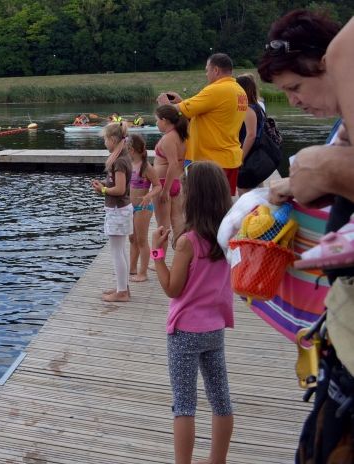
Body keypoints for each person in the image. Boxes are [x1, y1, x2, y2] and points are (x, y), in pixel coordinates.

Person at [257, 9, 354, 462]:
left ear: (329, 64)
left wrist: (331, 169)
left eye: (296, 87)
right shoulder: (343, 131)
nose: (293, 102)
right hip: (341, 342)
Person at [151, 161, 234, 464]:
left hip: (185, 332)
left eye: (184, 188)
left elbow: (173, 289)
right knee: (221, 401)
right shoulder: (226, 239)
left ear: (192, 196)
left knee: (184, 405)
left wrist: (157, 255)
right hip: (215, 330)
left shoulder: (188, 242)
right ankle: (218, 460)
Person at [157, 53, 247, 195]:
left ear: (216, 70)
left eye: (207, 70)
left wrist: (165, 105)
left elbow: (176, 112)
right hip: (230, 158)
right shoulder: (239, 91)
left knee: (203, 208)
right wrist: (182, 101)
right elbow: (208, 114)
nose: (206, 74)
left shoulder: (215, 89)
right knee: (221, 206)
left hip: (208, 162)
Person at [92, 122, 133, 302]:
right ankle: (122, 286)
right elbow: (116, 185)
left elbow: (120, 189)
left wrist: (103, 190)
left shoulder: (120, 161)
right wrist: (105, 185)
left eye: (106, 140)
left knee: (117, 251)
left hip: (118, 210)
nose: (104, 143)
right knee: (121, 250)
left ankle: (122, 292)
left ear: (113, 140)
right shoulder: (121, 158)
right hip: (120, 210)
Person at [128, 134, 161, 282]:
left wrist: (148, 196)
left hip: (143, 208)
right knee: (132, 238)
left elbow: (158, 186)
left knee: (141, 240)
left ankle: (143, 273)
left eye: (126, 147)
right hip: (130, 207)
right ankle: (132, 268)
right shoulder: (128, 164)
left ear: (132, 149)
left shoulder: (146, 167)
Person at [153, 105, 188, 246]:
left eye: (157, 120)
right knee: (177, 220)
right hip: (177, 181)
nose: (156, 123)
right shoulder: (181, 135)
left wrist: (165, 190)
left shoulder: (168, 138)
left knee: (162, 225)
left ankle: (159, 258)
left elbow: (172, 164)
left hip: (164, 183)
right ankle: (181, 255)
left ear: (165, 120)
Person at [236, 73, 266, 195]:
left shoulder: (248, 109)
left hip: (249, 153)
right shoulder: (258, 106)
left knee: (243, 190)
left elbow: (251, 134)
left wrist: (241, 158)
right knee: (257, 189)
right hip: (256, 152)